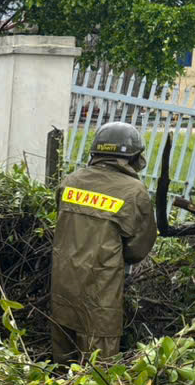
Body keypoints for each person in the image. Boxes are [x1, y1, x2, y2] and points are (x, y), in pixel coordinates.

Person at [50, 122, 157, 362]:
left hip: (62, 281)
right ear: (133, 156)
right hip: (101, 287)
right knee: (99, 366)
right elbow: (139, 246)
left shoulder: (70, 181)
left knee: (62, 354)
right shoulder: (134, 192)